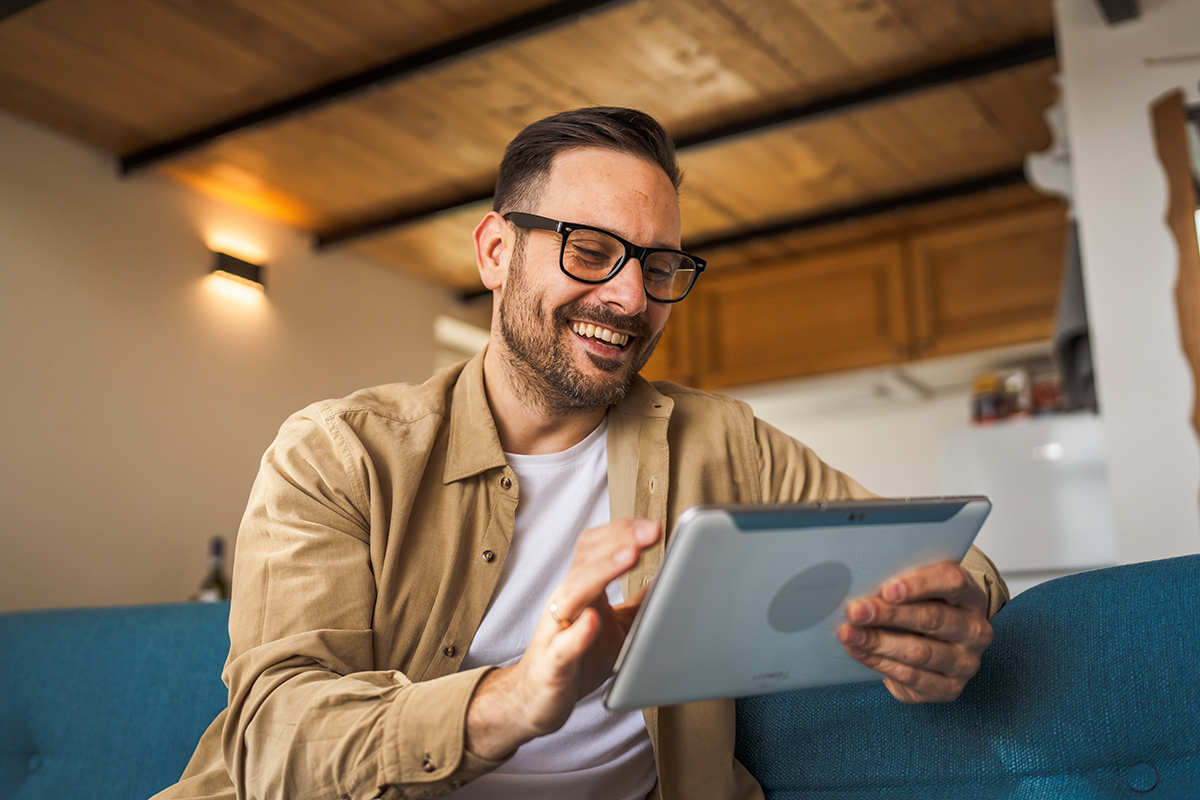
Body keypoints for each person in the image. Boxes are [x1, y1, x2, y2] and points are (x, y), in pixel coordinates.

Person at [156, 106, 1007, 800]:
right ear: (496, 252)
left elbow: (945, 557)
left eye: (660, 264)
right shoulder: (338, 455)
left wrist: (948, 615)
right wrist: (518, 698)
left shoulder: (723, 443)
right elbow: (276, 742)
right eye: (591, 251)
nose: (631, 297)